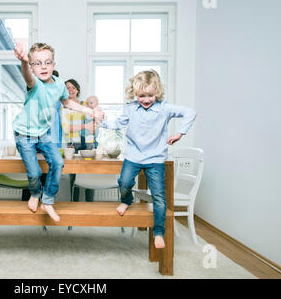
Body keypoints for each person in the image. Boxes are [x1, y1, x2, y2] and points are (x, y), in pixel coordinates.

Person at [100, 70, 196, 249]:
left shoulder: (165, 108)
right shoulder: (130, 108)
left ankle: (159, 232)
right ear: (134, 94)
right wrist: (101, 120)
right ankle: (127, 200)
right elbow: (117, 124)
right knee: (124, 182)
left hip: (155, 158)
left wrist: (180, 133)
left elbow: (190, 112)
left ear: (157, 92)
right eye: (141, 95)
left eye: (150, 95)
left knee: (159, 196)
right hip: (134, 156)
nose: (145, 100)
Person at [13, 42, 103, 222]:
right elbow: (27, 77)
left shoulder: (60, 85)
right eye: (37, 63)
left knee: (58, 163)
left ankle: (47, 200)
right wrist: (23, 62)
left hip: (44, 133)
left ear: (54, 65)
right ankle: (35, 193)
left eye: (47, 62)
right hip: (24, 134)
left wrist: (90, 111)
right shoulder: (34, 84)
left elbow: (67, 103)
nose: (43, 66)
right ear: (32, 67)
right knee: (35, 173)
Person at [60, 79, 97, 202]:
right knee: (73, 178)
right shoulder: (63, 107)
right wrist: (85, 126)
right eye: (68, 88)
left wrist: (90, 126)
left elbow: (93, 123)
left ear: (77, 90)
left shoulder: (85, 104)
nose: (71, 90)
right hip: (72, 145)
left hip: (87, 144)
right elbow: (66, 128)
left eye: (73, 87)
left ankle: (90, 205)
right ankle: (73, 204)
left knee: (90, 175)